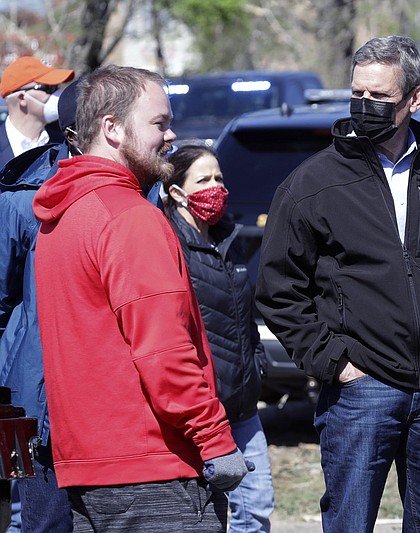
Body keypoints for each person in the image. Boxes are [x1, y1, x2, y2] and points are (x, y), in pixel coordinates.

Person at [255, 35, 420, 532]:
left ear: (414, 99)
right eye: (358, 95)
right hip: (361, 390)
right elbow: (279, 288)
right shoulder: (313, 183)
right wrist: (334, 363)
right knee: (349, 522)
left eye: (380, 98)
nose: (365, 106)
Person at [32, 65, 251, 532]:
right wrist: (214, 439)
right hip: (155, 472)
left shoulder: (62, 215)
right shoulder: (129, 218)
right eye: (158, 123)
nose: (171, 135)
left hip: (92, 471)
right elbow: (165, 351)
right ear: (111, 128)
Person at [164, 144, 274, 532]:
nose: (216, 188)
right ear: (177, 192)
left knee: (257, 508)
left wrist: (257, 363)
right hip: (202, 410)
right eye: (204, 180)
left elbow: (243, 314)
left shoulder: (229, 238)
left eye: (219, 179)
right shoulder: (168, 242)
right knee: (207, 515)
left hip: (243, 407)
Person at [0, 80, 80, 533]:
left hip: (109, 405)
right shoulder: (21, 199)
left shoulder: (147, 191)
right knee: (43, 520)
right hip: (36, 400)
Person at [0, 56, 74, 169]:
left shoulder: (67, 143)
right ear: (22, 97)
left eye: (58, 87)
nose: (59, 94)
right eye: (49, 88)